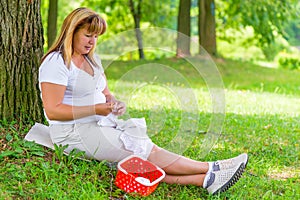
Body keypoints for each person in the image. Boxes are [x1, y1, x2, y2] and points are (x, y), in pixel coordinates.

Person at [39, 7, 248, 195]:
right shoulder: (56, 62)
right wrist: (97, 108)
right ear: (71, 32)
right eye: (87, 35)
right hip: (72, 132)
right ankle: (212, 167)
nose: (92, 41)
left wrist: (114, 103)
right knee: (145, 151)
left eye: (96, 36)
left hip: (99, 123)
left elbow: (106, 94)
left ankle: (206, 179)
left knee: (142, 155)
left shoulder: (91, 60)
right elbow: (53, 111)